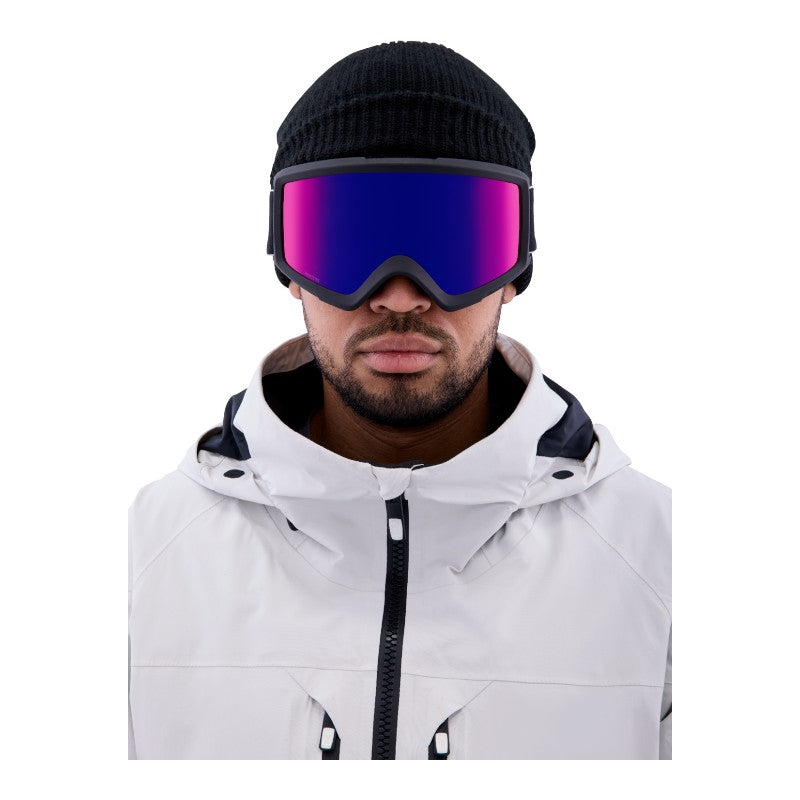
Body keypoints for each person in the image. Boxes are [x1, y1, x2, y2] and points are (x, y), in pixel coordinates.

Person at [127, 40, 672, 760]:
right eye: (346, 241)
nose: (400, 296)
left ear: (516, 269)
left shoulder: (658, 556)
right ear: (288, 266)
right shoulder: (148, 556)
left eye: (455, 241)